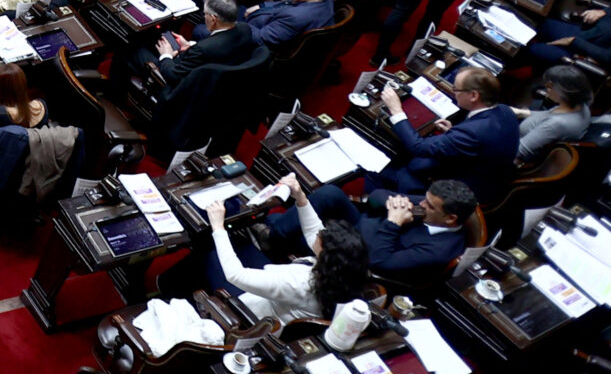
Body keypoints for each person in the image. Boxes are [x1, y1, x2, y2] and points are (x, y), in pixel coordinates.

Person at [261, 179, 476, 289]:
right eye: (425, 199)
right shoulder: (431, 204)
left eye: (429, 205)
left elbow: (378, 261)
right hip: (362, 225)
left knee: (296, 229)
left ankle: (271, 234)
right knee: (330, 193)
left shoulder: (439, 251)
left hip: (357, 257)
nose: (421, 204)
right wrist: (392, 203)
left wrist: (393, 222)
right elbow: (376, 196)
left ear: (450, 219)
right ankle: (273, 235)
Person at [210, 181, 371, 322]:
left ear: (325, 254)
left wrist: (218, 227)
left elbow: (236, 275)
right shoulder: (345, 271)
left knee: (210, 248)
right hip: (279, 291)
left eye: (323, 236)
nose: (320, 233)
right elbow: (314, 231)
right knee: (240, 241)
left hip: (249, 310)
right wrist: (301, 198)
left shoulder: (300, 284)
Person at [379, 65, 520, 208]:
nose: (454, 92)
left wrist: (396, 110)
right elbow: (483, 140)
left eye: (456, 89)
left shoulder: (471, 133)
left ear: (473, 96)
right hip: (489, 174)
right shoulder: (505, 111)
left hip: (464, 192)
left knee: (400, 172)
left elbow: (418, 146)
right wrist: (453, 132)